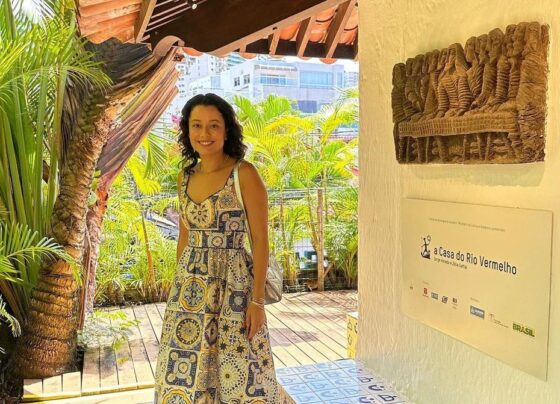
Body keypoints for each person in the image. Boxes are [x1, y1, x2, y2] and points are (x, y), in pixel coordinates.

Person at [154, 93, 280, 403]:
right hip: (190, 290)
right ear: (187, 131)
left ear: (227, 130)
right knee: (186, 364)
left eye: (213, 125)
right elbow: (185, 235)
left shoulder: (244, 174)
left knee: (240, 367)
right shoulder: (184, 177)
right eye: (196, 125)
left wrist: (257, 301)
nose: (204, 134)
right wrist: (177, 286)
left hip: (233, 287)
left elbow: (260, 240)